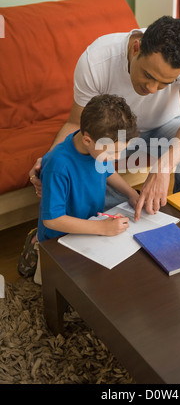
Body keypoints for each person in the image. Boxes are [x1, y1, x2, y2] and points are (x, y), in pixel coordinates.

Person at [29, 15, 180, 221]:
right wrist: (49, 160)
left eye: (165, 83)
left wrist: (163, 168)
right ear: (136, 48)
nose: (153, 89)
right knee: (83, 174)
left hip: (166, 128)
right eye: (149, 75)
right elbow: (76, 124)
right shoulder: (96, 60)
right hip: (116, 136)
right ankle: (125, 209)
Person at [18, 94, 140, 283]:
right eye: (112, 152)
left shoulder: (98, 151)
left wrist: (131, 193)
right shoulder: (58, 165)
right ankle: (35, 247)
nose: (116, 157)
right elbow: (52, 220)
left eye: (121, 151)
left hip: (89, 225)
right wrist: (101, 228)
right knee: (58, 287)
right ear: (87, 140)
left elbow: (108, 172)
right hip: (58, 239)